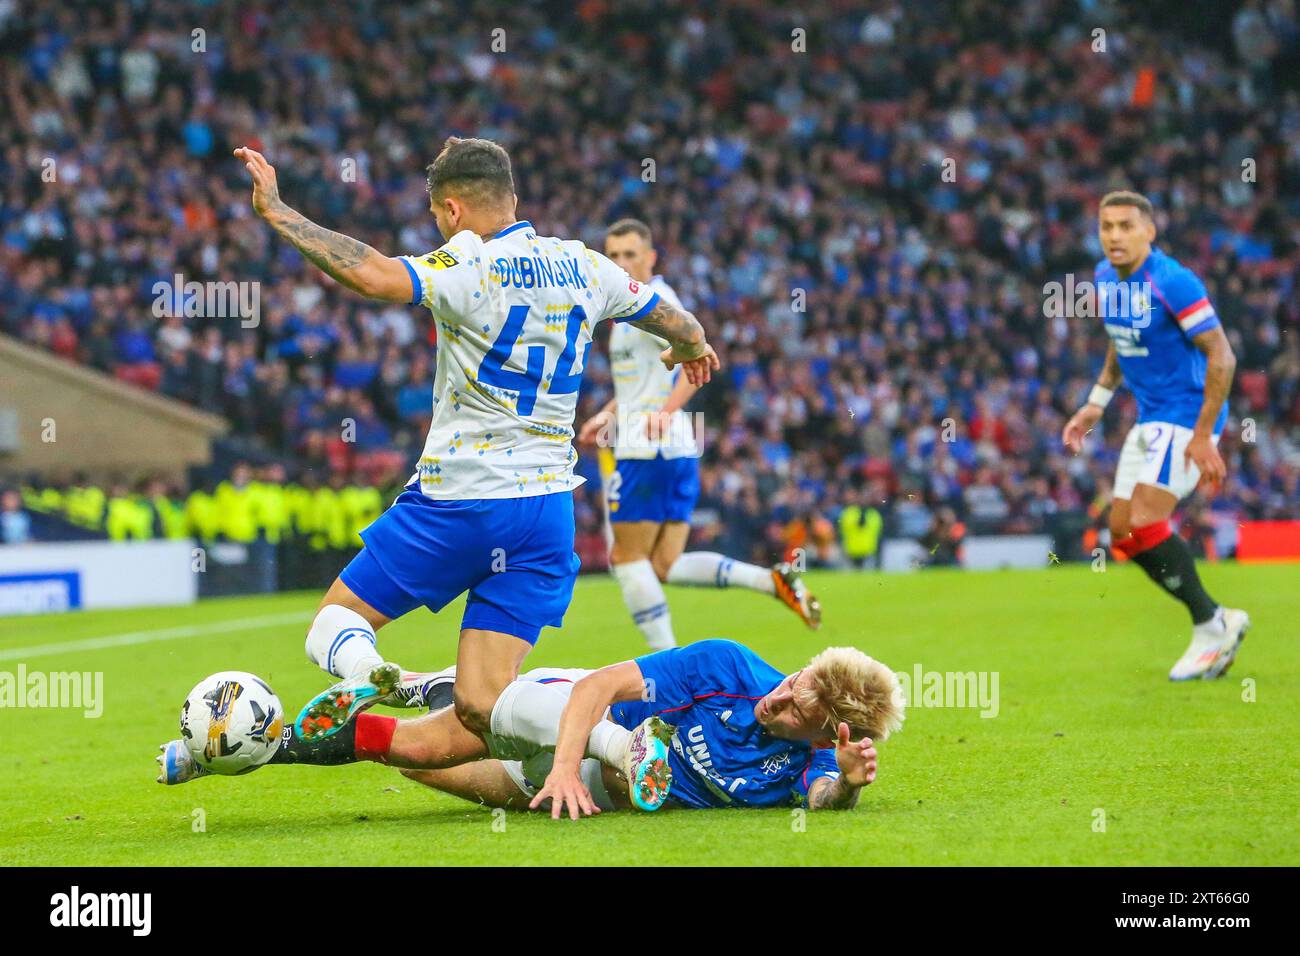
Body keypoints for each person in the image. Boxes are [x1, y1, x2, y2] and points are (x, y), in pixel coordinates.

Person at [231, 137, 720, 798]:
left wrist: (278, 212)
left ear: (454, 210)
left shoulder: (468, 262)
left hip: (458, 501)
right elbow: (673, 319)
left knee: (332, 626)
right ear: (514, 199)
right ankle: (621, 744)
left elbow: (373, 275)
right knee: (482, 704)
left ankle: (378, 677)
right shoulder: (583, 265)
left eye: (438, 216)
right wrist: (692, 347)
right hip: (546, 512)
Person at [157, 639, 902, 819]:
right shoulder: (732, 667)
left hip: (585, 791)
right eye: (794, 681)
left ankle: (221, 754)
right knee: (497, 713)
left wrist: (853, 789)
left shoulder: (807, 766)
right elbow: (601, 684)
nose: (779, 698)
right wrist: (570, 761)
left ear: (825, 732)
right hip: (576, 721)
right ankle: (429, 685)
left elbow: (823, 800)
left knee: (407, 752)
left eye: (798, 708)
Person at [578, 219, 820, 652]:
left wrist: (662, 412)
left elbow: (700, 358)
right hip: (675, 448)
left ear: (651, 258)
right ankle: (771, 580)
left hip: (647, 450)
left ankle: (667, 666)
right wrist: (608, 413)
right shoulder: (628, 311)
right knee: (665, 565)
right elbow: (642, 382)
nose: (620, 263)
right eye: (612, 255)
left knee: (626, 558)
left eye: (630, 254)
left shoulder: (657, 304)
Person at [1062, 190, 1248, 681]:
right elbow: (1120, 343)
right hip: (1150, 418)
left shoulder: (1173, 282)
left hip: (1187, 414)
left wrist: (1204, 434)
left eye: (1126, 226)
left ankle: (1211, 626)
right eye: (1107, 227)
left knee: (1145, 522)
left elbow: (1222, 356)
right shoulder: (1105, 277)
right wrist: (1095, 404)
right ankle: (1218, 619)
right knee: (1122, 534)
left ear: (1150, 231)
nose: (1115, 236)